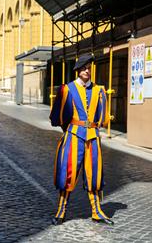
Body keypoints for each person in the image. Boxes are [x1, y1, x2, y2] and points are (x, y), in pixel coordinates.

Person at [49, 53, 114, 226]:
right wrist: (69, 130)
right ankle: (61, 211)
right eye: (83, 68)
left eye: (89, 68)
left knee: (94, 174)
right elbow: (58, 117)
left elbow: (102, 117)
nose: (87, 70)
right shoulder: (67, 89)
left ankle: (97, 211)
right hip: (73, 136)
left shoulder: (99, 90)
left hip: (92, 137)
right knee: (67, 174)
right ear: (77, 70)